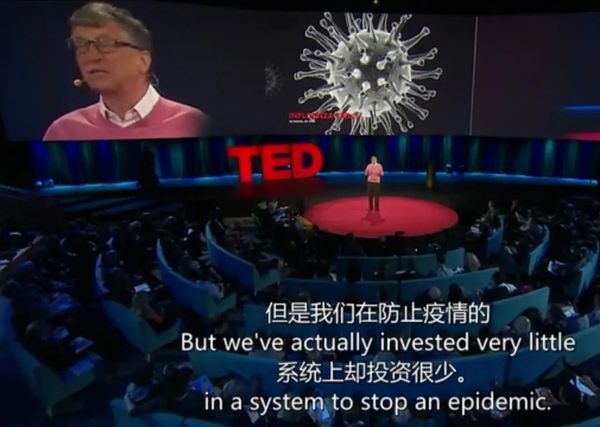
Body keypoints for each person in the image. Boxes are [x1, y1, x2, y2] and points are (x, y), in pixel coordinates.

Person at [43, 2, 207, 141]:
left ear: (143, 61)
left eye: (106, 43)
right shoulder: (64, 131)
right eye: (81, 45)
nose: (91, 57)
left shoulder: (192, 124)